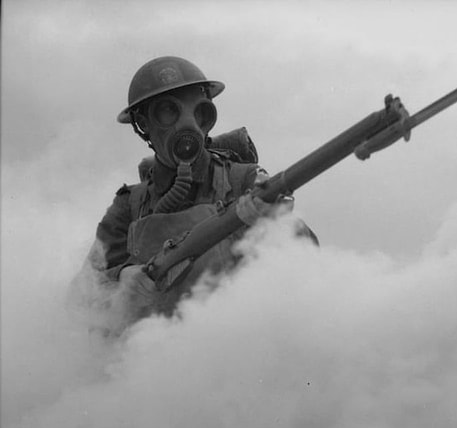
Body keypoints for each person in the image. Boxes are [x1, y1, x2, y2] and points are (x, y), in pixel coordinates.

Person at [78, 56, 317, 335]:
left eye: (199, 112)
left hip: (229, 347)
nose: (187, 124)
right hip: (148, 362)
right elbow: (81, 298)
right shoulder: (130, 205)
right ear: (143, 124)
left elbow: (306, 256)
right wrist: (122, 280)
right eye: (168, 111)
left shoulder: (245, 181)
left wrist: (269, 229)